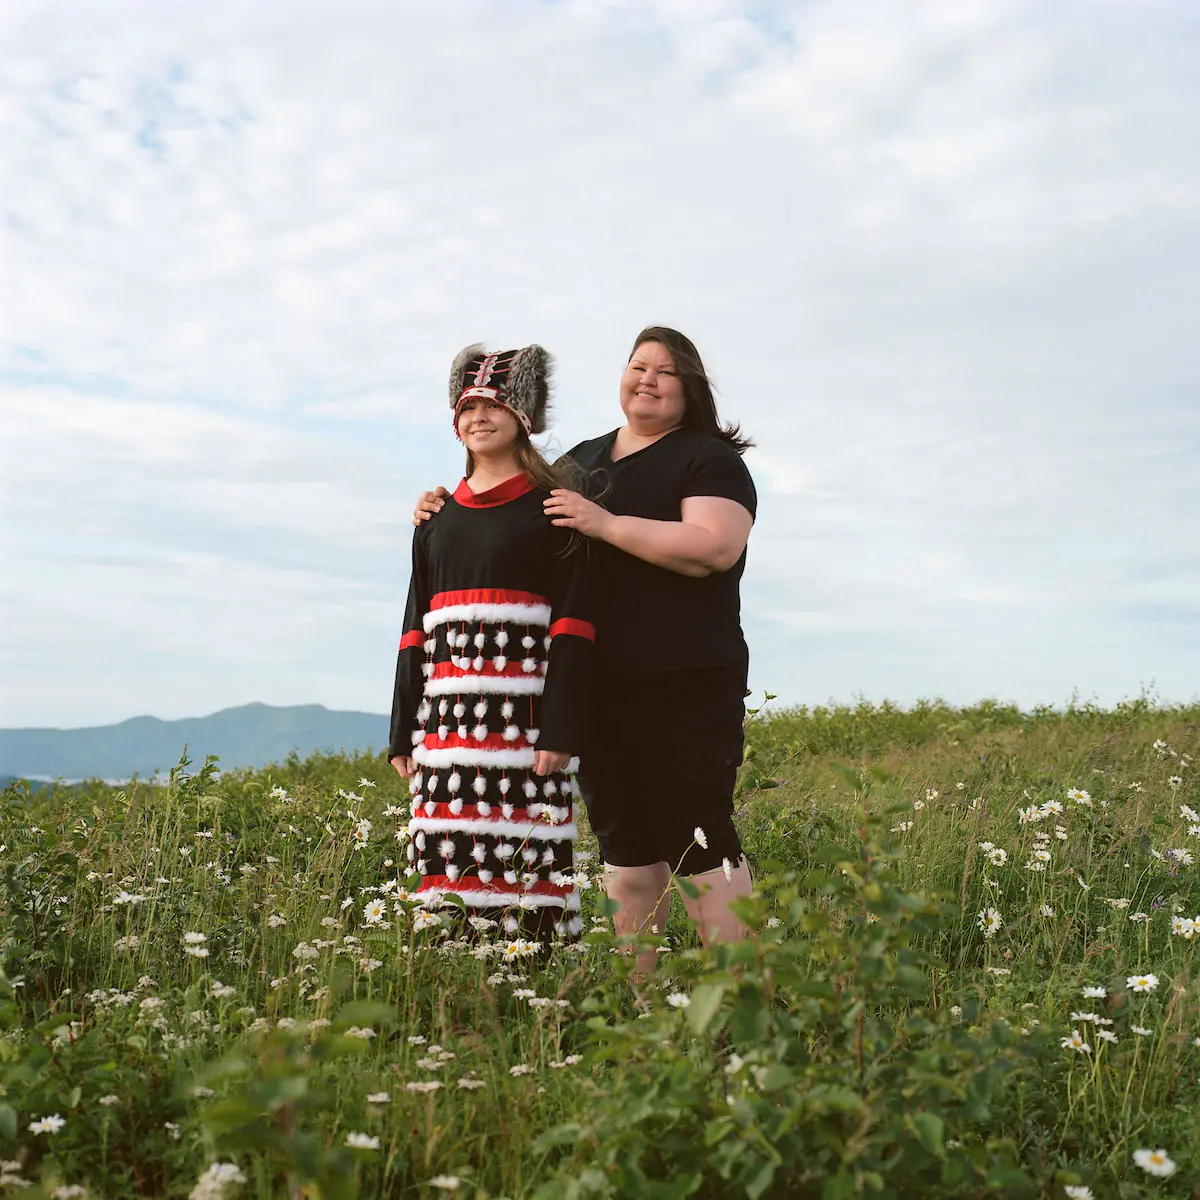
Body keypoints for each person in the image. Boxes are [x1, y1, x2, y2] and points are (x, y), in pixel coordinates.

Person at [415, 327, 755, 976]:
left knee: (700, 844)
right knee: (626, 857)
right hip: (594, 688)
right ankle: (642, 1015)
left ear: (692, 389)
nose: (647, 379)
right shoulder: (578, 463)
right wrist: (442, 504)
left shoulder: (708, 460)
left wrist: (605, 524)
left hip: (683, 681)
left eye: (666, 371)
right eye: (637, 367)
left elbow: (714, 547)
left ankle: (743, 1008)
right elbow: (502, 506)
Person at [388, 343, 594, 942]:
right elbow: (413, 629)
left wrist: (560, 730)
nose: (478, 416)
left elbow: (575, 628)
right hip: (446, 734)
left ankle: (544, 1000)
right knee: (449, 873)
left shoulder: (553, 511)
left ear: (523, 417)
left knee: (530, 872)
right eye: (466, 406)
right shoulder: (437, 520)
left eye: (493, 405)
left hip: (526, 729)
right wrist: (404, 729)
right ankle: (451, 990)